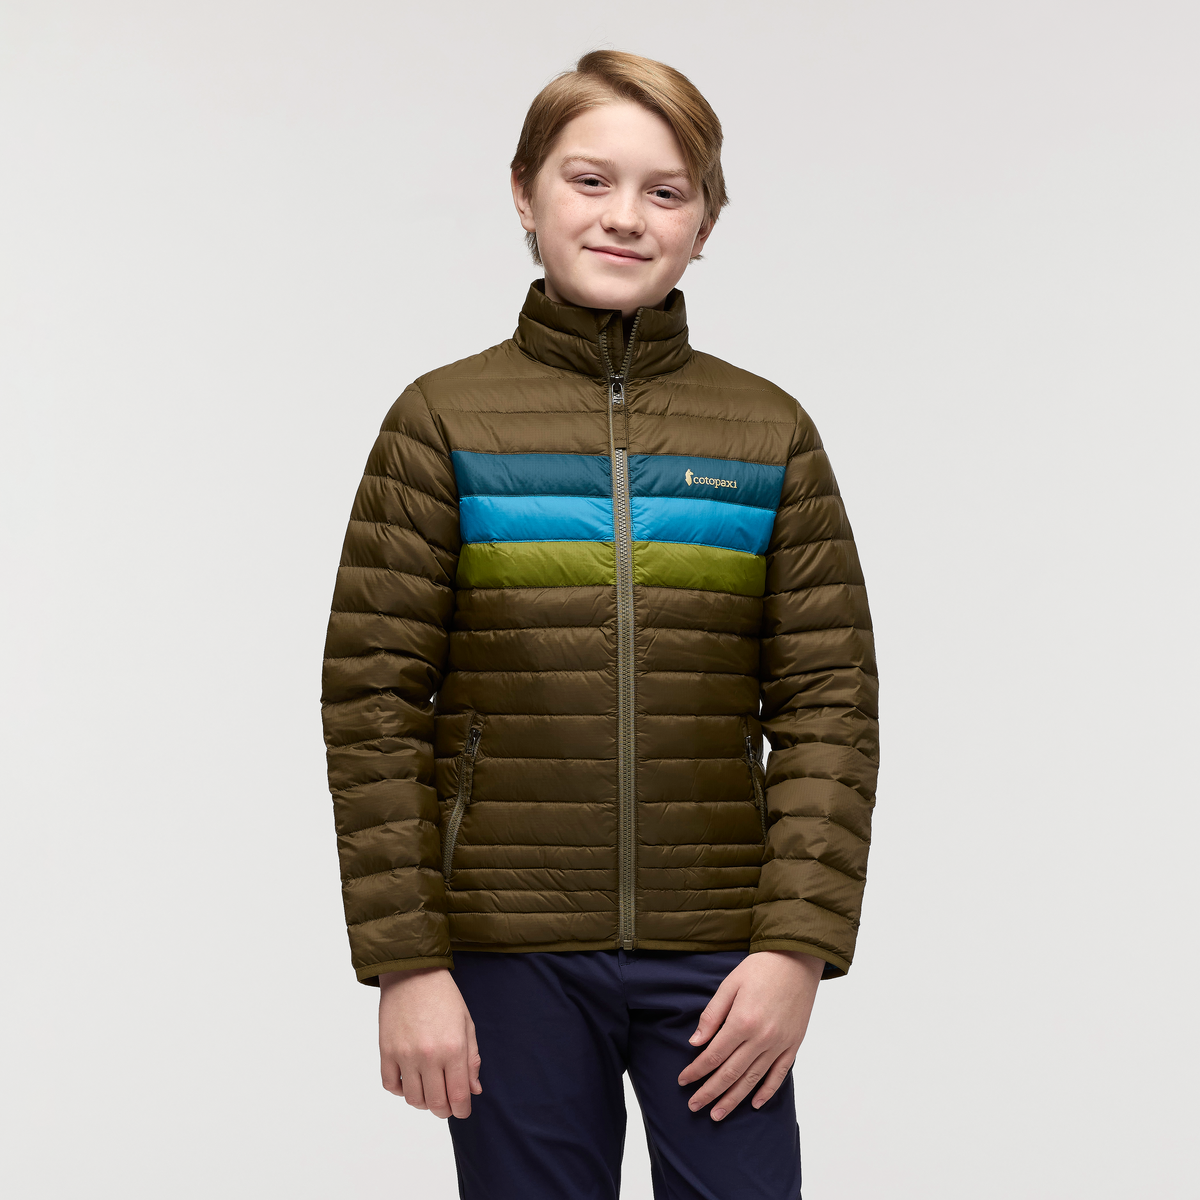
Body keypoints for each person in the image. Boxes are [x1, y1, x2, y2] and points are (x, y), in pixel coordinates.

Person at [320, 49, 879, 1200]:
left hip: (721, 950)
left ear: (705, 224)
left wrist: (795, 947)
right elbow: (373, 701)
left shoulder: (766, 433)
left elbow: (829, 704)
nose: (626, 216)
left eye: (665, 191)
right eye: (590, 180)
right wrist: (408, 962)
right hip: (508, 949)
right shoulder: (442, 423)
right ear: (523, 194)